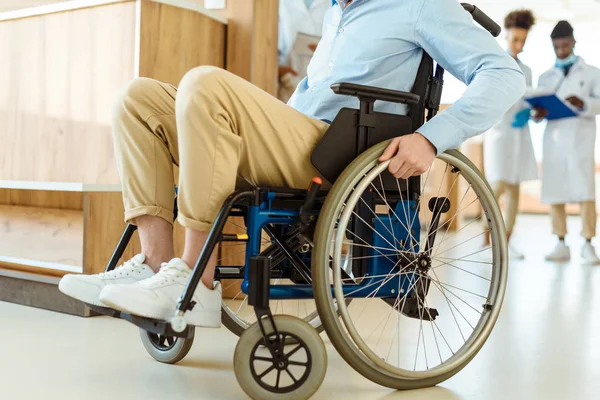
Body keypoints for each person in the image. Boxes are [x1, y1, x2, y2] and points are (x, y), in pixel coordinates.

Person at [59, 0, 525, 327]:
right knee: (137, 97)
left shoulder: (419, 5)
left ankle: (195, 280)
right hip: (299, 136)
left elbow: (506, 75)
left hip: (334, 154)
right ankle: (157, 264)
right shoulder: (337, 15)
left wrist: (431, 137)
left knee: (205, 82)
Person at [535, 21, 600, 264]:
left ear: (573, 42)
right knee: (555, 191)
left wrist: (582, 102)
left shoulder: (592, 73)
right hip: (554, 140)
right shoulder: (545, 77)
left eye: (565, 45)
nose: (561, 51)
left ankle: (588, 243)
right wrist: (538, 113)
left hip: (580, 139)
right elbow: (537, 107)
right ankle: (560, 243)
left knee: (585, 191)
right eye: (556, 47)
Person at [483, 10, 537, 260]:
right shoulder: (494, 61)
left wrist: (532, 112)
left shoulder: (526, 70)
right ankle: (487, 242)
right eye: (515, 39)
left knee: (515, 187)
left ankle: (506, 242)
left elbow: (526, 99)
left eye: (522, 41)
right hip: (499, 133)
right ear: (506, 35)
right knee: (496, 187)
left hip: (519, 134)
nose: (519, 45)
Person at [278, 0, 330, 102]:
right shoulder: (282, 3)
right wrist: (278, 70)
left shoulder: (334, 4)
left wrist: (325, 49)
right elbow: (274, 42)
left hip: (323, 81)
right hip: (290, 79)